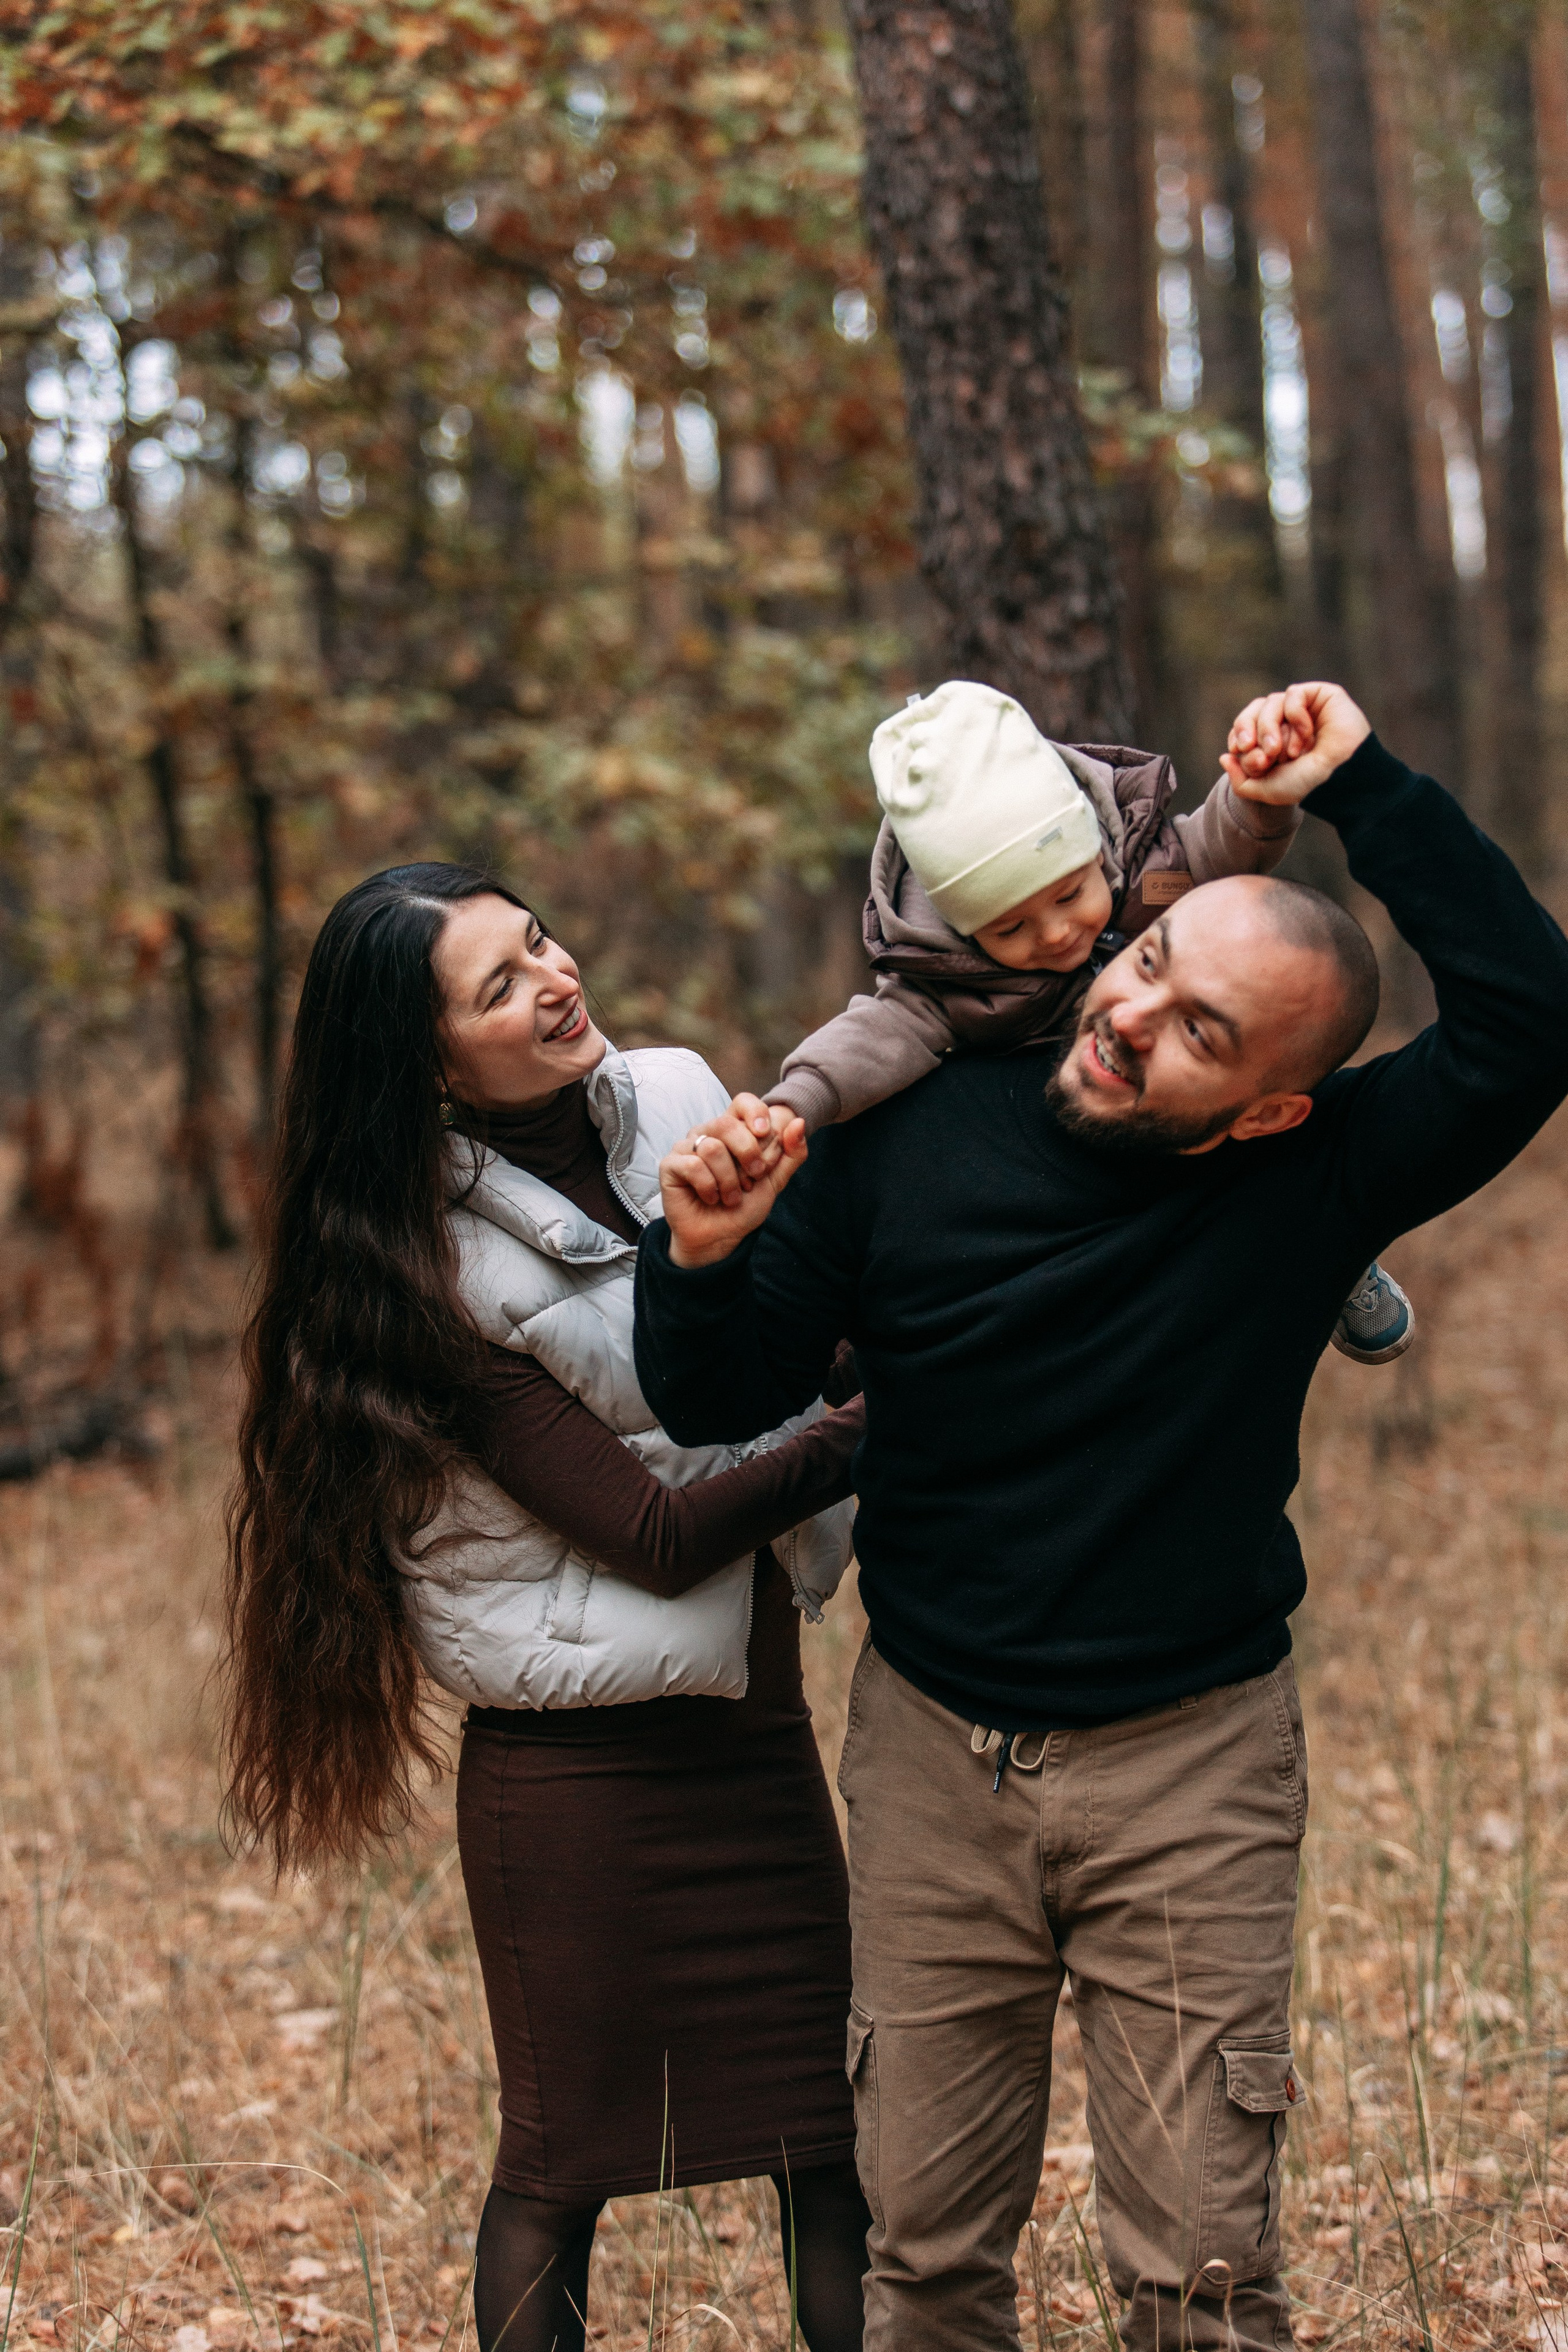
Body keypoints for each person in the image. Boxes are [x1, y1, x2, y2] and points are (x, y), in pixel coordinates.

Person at [631, 682, 1568, 2352]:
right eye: (1150, 963)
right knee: (925, 2265)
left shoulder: (1312, 1175)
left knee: (1198, 2278)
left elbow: (1528, 1019)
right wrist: (697, 1258)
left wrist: (1362, 784)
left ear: (1267, 1106)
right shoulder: (895, 1132)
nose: (1130, 1015)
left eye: (1203, 1031)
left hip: (1189, 1770)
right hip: (933, 1759)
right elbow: (716, 1396)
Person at [222, 864, 872, 2352]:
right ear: (428, 1064)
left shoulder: (678, 1095)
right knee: (559, 2167)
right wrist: (874, 1422)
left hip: (752, 1728)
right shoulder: (418, 1267)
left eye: (539, 942)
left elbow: (789, 1320)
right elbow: (652, 1533)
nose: (555, 980)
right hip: (578, 1781)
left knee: (828, 2142)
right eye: (498, 987)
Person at [766, 677, 1411, 1364]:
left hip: (1183, 1099)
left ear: (1095, 852)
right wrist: (797, 1102)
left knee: (1258, 1114)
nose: (1054, 934)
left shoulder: (1151, 872)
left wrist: (1257, 799)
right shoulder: (949, 981)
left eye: (1071, 893)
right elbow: (872, 1037)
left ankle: (1336, 1256)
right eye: (1010, 927)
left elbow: (1220, 847)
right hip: (1073, 1131)